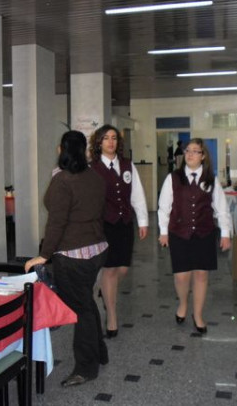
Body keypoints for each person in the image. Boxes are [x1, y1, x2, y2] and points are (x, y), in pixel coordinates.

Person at [24, 130, 109, 387]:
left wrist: (44, 255)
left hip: (73, 255)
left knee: (81, 309)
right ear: (84, 150)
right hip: (96, 250)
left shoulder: (63, 180)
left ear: (61, 150)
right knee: (86, 302)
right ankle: (100, 352)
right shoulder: (94, 176)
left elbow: (56, 222)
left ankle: (86, 368)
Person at [157, 138, 232, 334]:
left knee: (201, 275)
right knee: (182, 276)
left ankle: (198, 314)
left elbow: (221, 209)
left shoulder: (211, 180)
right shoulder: (173, 178)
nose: (190, 154)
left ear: (203, 156)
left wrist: (225, 233)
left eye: (195, 151)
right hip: (179, 233)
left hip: (204, 233)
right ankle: (183, 303)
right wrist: (163, 231)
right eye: (188, 151)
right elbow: (164, 207)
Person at [89, 124, 148, 338]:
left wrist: (143, 221)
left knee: (122, 269)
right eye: (106, 138)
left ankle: (106, 292)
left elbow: (137, 194)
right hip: (104, 225)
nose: (110, 142)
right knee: (110, 269)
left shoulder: (127, 165)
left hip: (124, 223)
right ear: (99, 143)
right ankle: (112, 317)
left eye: (114, 138)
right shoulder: (92, 168)